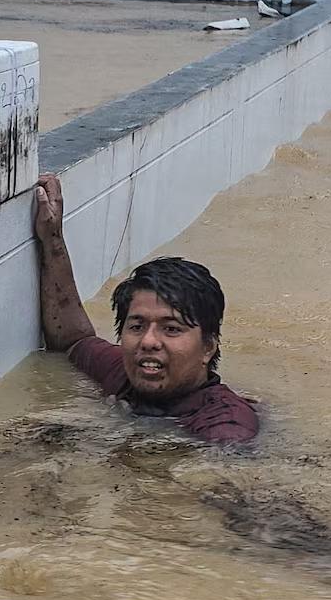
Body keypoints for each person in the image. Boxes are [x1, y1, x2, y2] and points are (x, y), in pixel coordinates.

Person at [30, 173, 258, 445]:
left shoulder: (226, 429)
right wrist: (52, 237)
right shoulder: (125, 376)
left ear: (208, 347)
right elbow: (73, 340)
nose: (148, 341)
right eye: (137, 326)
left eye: (171, 329)